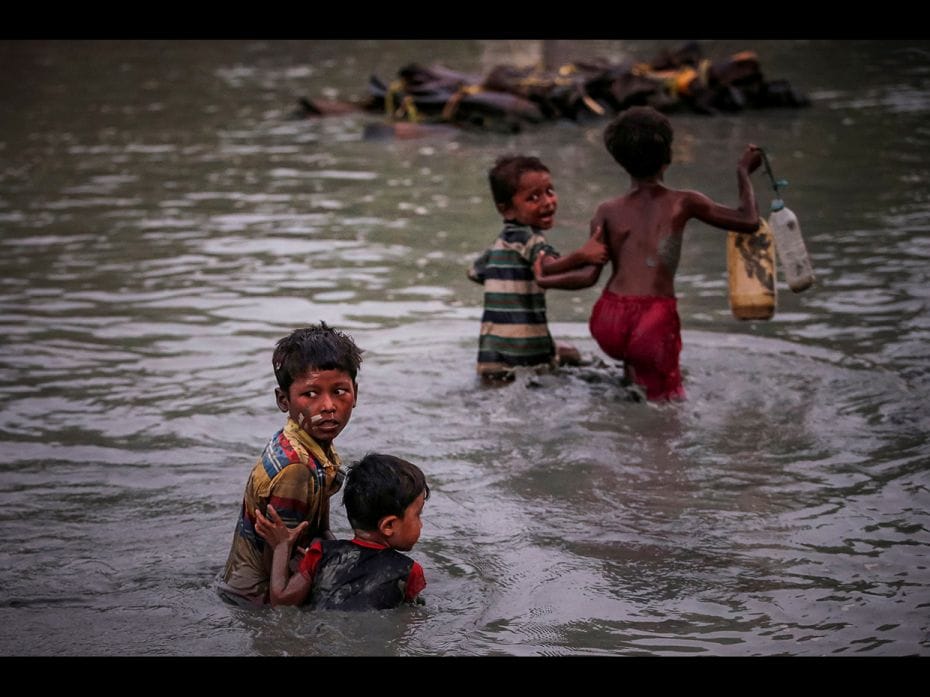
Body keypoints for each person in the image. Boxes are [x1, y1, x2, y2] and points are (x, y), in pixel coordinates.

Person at [537, 106, 762, 400]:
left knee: (634, 382)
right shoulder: (684, 202)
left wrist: (544, 279)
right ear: (668, 157)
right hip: (653, 317)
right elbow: (749, 221)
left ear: (620, 161)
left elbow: (589, 276)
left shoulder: (607, 211)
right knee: (667, 405)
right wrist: (744, 171)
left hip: (609, 317)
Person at [215, 323, 363, 607]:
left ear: (355, 393)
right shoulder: (295, 469)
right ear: (284, 400)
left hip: (256, 583)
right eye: (311, 394)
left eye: (340, 391)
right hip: (255, 599)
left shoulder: (314, 447)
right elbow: (277, 580)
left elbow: (317, 531)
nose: (328, 405)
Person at [467, 154, 608, 381]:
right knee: (575, 364)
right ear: (507, 210)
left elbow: (474, 272)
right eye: (533, 197)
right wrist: (583, 255)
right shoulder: (532, 240)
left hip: (490, 357)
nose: (547, 202)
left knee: (565, 352)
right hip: (527, 354)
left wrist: (508, 280)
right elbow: (549, 268)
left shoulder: (498, 245)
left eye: (549, 191)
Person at [253, 453, 429, 610]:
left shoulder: (320, 554)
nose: (421, 524)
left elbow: (282, 602)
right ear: (388, 526)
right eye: (418, 515)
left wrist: (282, 547)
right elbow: (407, 624)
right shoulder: (410, 571)